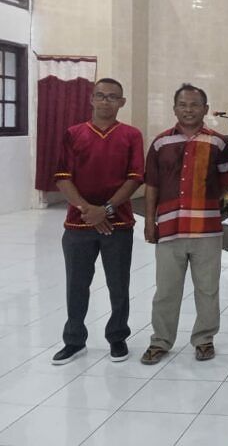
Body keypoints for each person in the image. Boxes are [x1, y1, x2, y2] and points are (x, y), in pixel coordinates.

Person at [140, 83, 228, 365]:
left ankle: (204, 339)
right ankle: (160, 341)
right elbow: (152, 185)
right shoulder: (160, 143)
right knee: (166, 290)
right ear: (174, 109)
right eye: (183, 104)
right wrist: (149, 221)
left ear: (205, 109)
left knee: (207, 289)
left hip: (207, 230)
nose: (189, 110)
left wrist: (202, 203)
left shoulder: (218, 143)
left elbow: (226, 183)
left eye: (195, 105)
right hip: (169, 229)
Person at [52, 78, 144, 365]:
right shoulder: (73, 133)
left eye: (112, 97)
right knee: (76, 284)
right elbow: (62, 177)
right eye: (101, 96)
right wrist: (87, 209)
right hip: (78, 224)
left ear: (122, 102)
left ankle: (117, 337)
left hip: (118, 223)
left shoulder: (131, 135)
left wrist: (105, 209)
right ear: (91, 99)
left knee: (119, 284)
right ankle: (74, 340)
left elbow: (135, 177)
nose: (106, 101)